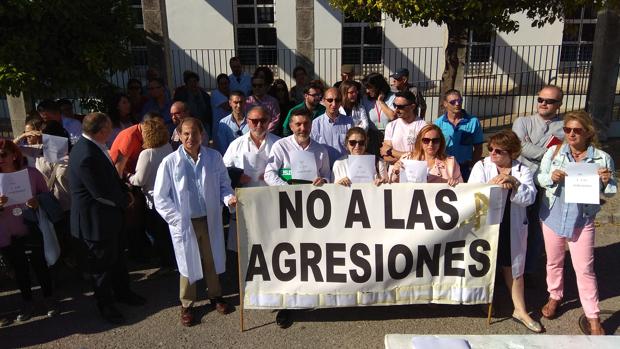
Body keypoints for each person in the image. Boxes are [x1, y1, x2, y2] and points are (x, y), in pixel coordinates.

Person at [536, 111, 616, 335]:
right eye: (567, 129)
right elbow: (539, 178)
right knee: (554, 262)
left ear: (588, 132)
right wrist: (551, 178)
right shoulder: (555, 152)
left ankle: (593, 316)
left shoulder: (601, 158)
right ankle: (555, 296)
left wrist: (607, 182)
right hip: (552, 215)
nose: (571, 134)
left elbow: (610, 192)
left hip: (582, 219)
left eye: (576, 130)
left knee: (585, 269)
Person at [153, 117, 236, 327]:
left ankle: (215, 296)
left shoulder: (214, 157)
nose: (191, 138)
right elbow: (161, 197)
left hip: (210, 218)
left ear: (202, 134)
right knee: (187, 262)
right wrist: (176, 219)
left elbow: (224, 186)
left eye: (195, 133)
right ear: (179, 136)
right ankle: (187, 304)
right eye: (186, 134)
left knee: (211, 259)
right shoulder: (170, 162)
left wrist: (229, 199)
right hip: (185, 221)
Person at [69, 112, 145, 324]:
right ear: (101, 130)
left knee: (118, 257)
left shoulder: (96, 147)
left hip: (110, 217)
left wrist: (124, 191)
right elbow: (99, 192)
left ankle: (123, 292)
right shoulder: (85, 154)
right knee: (101, 266)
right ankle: (106, 305)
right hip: (95, 220)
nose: (112, 130)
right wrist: (125, 200)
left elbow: (111, 177)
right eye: (109, 127)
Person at [468, 130, 541, 333]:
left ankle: (520, 309)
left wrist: (515, 185)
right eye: (490, 149)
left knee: (513, 267)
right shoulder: (482, 166)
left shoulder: (522, 170)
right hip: (488, 223)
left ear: (512, 153)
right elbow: (471, 192)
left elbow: (530, 198)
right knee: (486, 263)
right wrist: (490, 185)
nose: (492, 153)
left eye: (498, 151)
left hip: (512, 223)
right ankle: (485, 299)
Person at [0, 139, 57, 321]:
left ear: (14, 155)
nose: (0, 159)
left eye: (3, 155)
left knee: (40, 265)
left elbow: (47, 197)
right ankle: (27, 303)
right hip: (7, 231)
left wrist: (37, 201)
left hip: (31, 226)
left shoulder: (32, 174)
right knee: (19, 269)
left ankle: (49, 299)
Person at [512, 85, 565, 279]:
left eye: (549, 101)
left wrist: (530, 146)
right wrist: (550, 152)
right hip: (522, 182)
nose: (543, 104)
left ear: (559, 104)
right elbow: (519, 146)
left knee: (537, 227)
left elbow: (563, 154)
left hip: (547, 184)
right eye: (541, 99)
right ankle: (509, 268)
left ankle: (530, 269)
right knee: (515, 226)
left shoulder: (565, 127)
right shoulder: (522, 121)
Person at [222, 106, 280, 250]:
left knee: (271, 243)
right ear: (247, 121)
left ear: (269, 121)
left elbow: (289, 171)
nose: (259, 125)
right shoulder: (236, 145)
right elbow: (223, 172)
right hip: (245, 200)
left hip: (271, 200)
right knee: (245, 246)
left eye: (263, 121)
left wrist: (273, 175)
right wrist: (237, 177)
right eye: (254, 121)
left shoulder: (280, 144)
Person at [128, 119, 175, 275]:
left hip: (154, 200)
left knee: (156, 232)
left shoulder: (146, 154)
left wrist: (128, 176)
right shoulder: (168, 147)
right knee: (168, 232)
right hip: (170, 196)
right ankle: (172, 260)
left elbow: (139, 180)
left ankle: (166, 263)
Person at [265, 108, 331, 186]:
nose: (303, 128)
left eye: (306, 123)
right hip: (287, 195)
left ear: (311, 125)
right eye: (298, 124)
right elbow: (269, 174)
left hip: (313, 195)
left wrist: (323, 181)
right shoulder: (280, 146)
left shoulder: (321, 150)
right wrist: (287, 188)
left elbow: (327, 175)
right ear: (291, 126)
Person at [434, 89, 483, 181]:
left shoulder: (473, 122)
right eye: (453, 102)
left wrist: (473, 165)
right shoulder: (439, 123)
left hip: (465, 167)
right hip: (445, 166)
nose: (457, 104)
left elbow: (478, 147)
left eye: (459, 101)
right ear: (445, 104)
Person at [390, 124, 462, 185]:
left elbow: (462, 187)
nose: (431, 144)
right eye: (426, 140)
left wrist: (456, 183)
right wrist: (396, 172)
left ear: (441, 142)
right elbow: (393, 184)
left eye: (435, 141)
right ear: (420, 141)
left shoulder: (451, 162)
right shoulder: (407, 159)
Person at [380, 90, 427, 165]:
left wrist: (391, 151)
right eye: (395, 106)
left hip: (414, 171)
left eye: (401, 107)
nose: (396, 110)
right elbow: (386, 156)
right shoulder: (391, 126)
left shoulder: (424, 127)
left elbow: (422, 155)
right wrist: (409, 157)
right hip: (395, 172)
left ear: (412, 107)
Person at [310, 87, 353, 167]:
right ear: (323, 101)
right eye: (330, 100)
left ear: (341, 102)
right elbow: (312, 148)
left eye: (337, 100)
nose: (334, 104)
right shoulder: (316, 123)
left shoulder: (349, 122)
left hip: (344, 167)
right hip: (324, 168)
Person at [210, 73, 231, 138]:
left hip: (230, 126)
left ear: (229, 83)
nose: (224, 86)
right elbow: (227, 107)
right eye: (221, 84)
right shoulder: (215, 94)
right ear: (218, 85)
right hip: (219, 127)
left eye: (225, 83)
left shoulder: (230, 93)